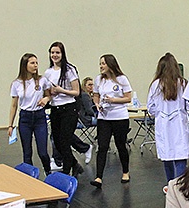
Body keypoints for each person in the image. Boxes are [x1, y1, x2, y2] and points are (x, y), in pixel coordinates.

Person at [91, 54, 132, 187]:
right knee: (102, 146)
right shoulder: (99, 80)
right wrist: (97, 104)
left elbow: (128, 98)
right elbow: (96, 95)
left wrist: (114, 100)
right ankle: (99, 177)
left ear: (110, 64)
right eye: (100, 63)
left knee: (120, 145)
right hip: (104, 117)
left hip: (119, 116)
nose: (101, 66)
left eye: (103, 63)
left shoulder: (122, 79)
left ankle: (125, 171)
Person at [148, 52, 189, 182]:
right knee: (180, 157)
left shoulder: (155, 85)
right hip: (180, 125)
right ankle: (180, 187)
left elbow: (151, 108)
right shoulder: (183, 84)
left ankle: (170, 186)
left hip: (163, 124)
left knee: (167, 157)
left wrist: (160, 113)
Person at [8, 52, 52, 173]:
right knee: (27, 152)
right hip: (25, 117)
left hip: (39, 117)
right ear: (25, 65)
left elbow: (49, 95)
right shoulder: (16, 84)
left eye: (36, 63)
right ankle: (29, 175)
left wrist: (46, 99)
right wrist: (10, 125)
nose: (35, 65)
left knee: (42, 151)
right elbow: (13, 105)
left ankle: (48, 171)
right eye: (32, 63)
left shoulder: (42, 80)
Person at [44, 41, 83, 176]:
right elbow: (47, 92)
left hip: (69, 109)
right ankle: (74, 164)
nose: (55, 55)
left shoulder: (69, 70)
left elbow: (76, 92)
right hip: (55, 110)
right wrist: (50, 93)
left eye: (57, 52)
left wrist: (61, 90)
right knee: (58, 143)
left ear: (62, 54)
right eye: (52, 52)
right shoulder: (48, 72)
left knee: (65, 141)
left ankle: (67, 172)